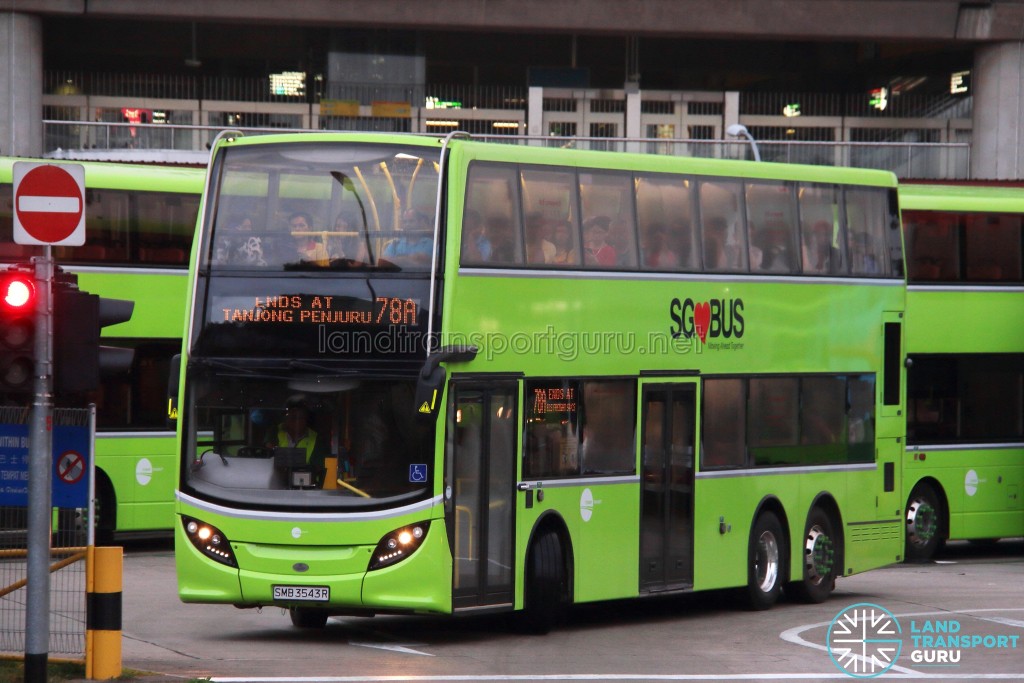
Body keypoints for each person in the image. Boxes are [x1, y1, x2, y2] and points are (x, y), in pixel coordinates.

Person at [272, 397, 328, 487]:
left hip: (306, 490)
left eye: (300, 417)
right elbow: (265, 458)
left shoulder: (316, 439)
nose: (296, 421)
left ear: (306, 420)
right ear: (285, 417)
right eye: (293, 417)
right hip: (273, 487)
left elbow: (320, 469)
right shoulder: (274, 432)